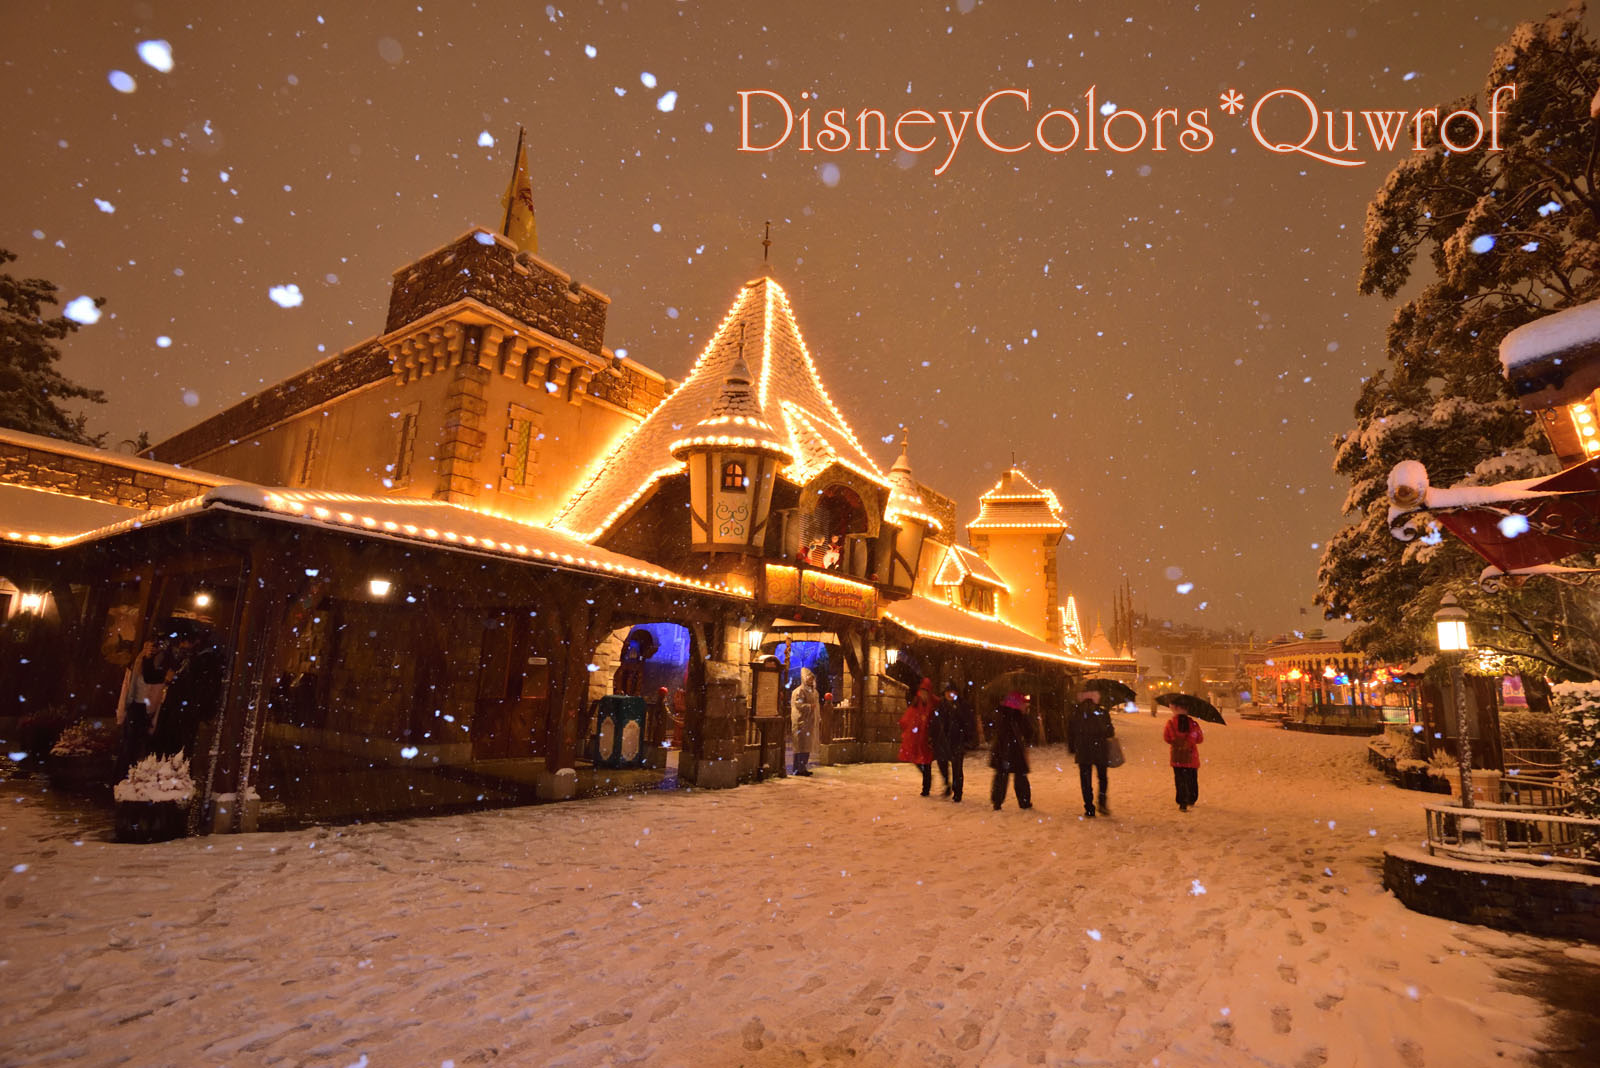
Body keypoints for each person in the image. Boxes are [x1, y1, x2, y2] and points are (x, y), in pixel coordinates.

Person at [116, 638, 174, 776]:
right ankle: (127, 776)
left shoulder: (151, 661)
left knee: (134, 746)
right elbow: (137, 685)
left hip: (140, 707)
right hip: (140, 707)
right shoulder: (144, 662)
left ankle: (127, 775)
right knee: (134, 745)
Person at [1068, 689, 1116, 818]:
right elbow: (1110, 732)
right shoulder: (1102, 712)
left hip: (1083, 751)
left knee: (1085, 780)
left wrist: (1073, 748)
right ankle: (1102, 803)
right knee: (1102, 778)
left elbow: (1071, 731)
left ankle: (1089, 807)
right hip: (1100, 750)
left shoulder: (1076, 712)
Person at [988, 691, 1034, 810]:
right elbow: (1029, 732)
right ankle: (1023, 802)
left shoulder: (1001, 714)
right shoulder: (1016, 716)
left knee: (1002, 776)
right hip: (1014, 750)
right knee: (1018, 777)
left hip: (1003, 750)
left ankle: (997, 801)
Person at [930, 681, 974, 802]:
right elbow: (935, 722)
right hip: (942, 741)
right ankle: (947, 784)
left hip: (957, 741)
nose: (950, 695)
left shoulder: (962, 706)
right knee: (942, 764)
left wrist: (967, 738)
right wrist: (933, 737)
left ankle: (957, 792)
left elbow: (968, 722)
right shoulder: (940, 706)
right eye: (948, 692)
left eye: (953, 692)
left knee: (957, 768)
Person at [898, 677, 936, 796]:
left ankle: (926, 788)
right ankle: (927, 781)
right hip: (918, 736)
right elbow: (909, 716)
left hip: (927, 738)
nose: (924, 694)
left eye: (926, 692)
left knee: (926, 763)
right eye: (923, 691)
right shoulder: (917, 702)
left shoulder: (934, 703)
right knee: (918, 761)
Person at [1164, 709, 1205, 811]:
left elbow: (1167, 738)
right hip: (1191, 757)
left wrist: (1177, 741)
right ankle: (1191, 798)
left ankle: (1182, 802)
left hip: (1177, 757)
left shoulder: (1170, 723)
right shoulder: (1194, 725)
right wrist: (1189, 741)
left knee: (1180, 779)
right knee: (1191, 779)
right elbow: (1200, 739)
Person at [790, 667, 820, 776]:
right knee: (800, 746)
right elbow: (799, 705)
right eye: (809, 679)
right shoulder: (800, 691)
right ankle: (798, 768)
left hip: (809, 722)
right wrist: (809, 707)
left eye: (812, 679)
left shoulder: (813, 691)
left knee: (806, 745)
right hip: (801, 722)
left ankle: (802, 767)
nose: (811, 681)